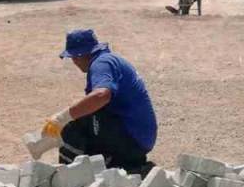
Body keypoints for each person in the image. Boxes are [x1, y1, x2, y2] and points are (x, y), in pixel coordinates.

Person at [41, 29, 157, 174]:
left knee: (71, 124)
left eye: (73, 58)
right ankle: (127, 167)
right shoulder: (108, 60)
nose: (74, 62)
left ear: (79, 55)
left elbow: (101, 95)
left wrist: (61, 118)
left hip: (132, 137)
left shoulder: (101, 63)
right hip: (138, 137)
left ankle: (67, 179)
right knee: (86, 119)